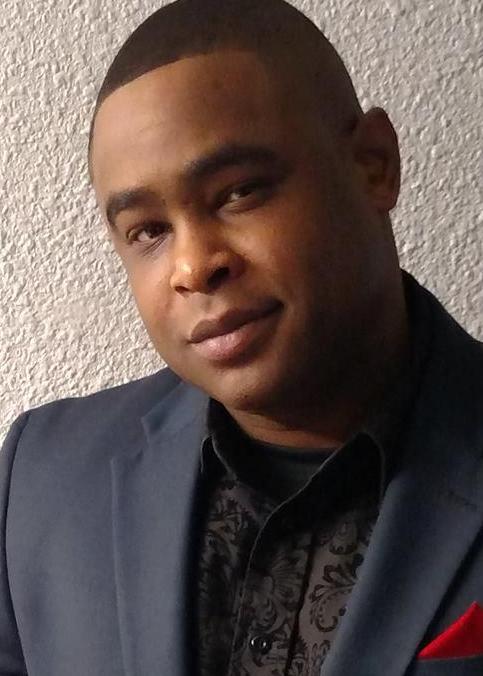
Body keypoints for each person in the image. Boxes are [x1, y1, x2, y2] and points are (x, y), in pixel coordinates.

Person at [1, 0, 482, 674]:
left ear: (373, 165)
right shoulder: (41, 476)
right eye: (149, 231)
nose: (193, 267)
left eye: (239, 192)